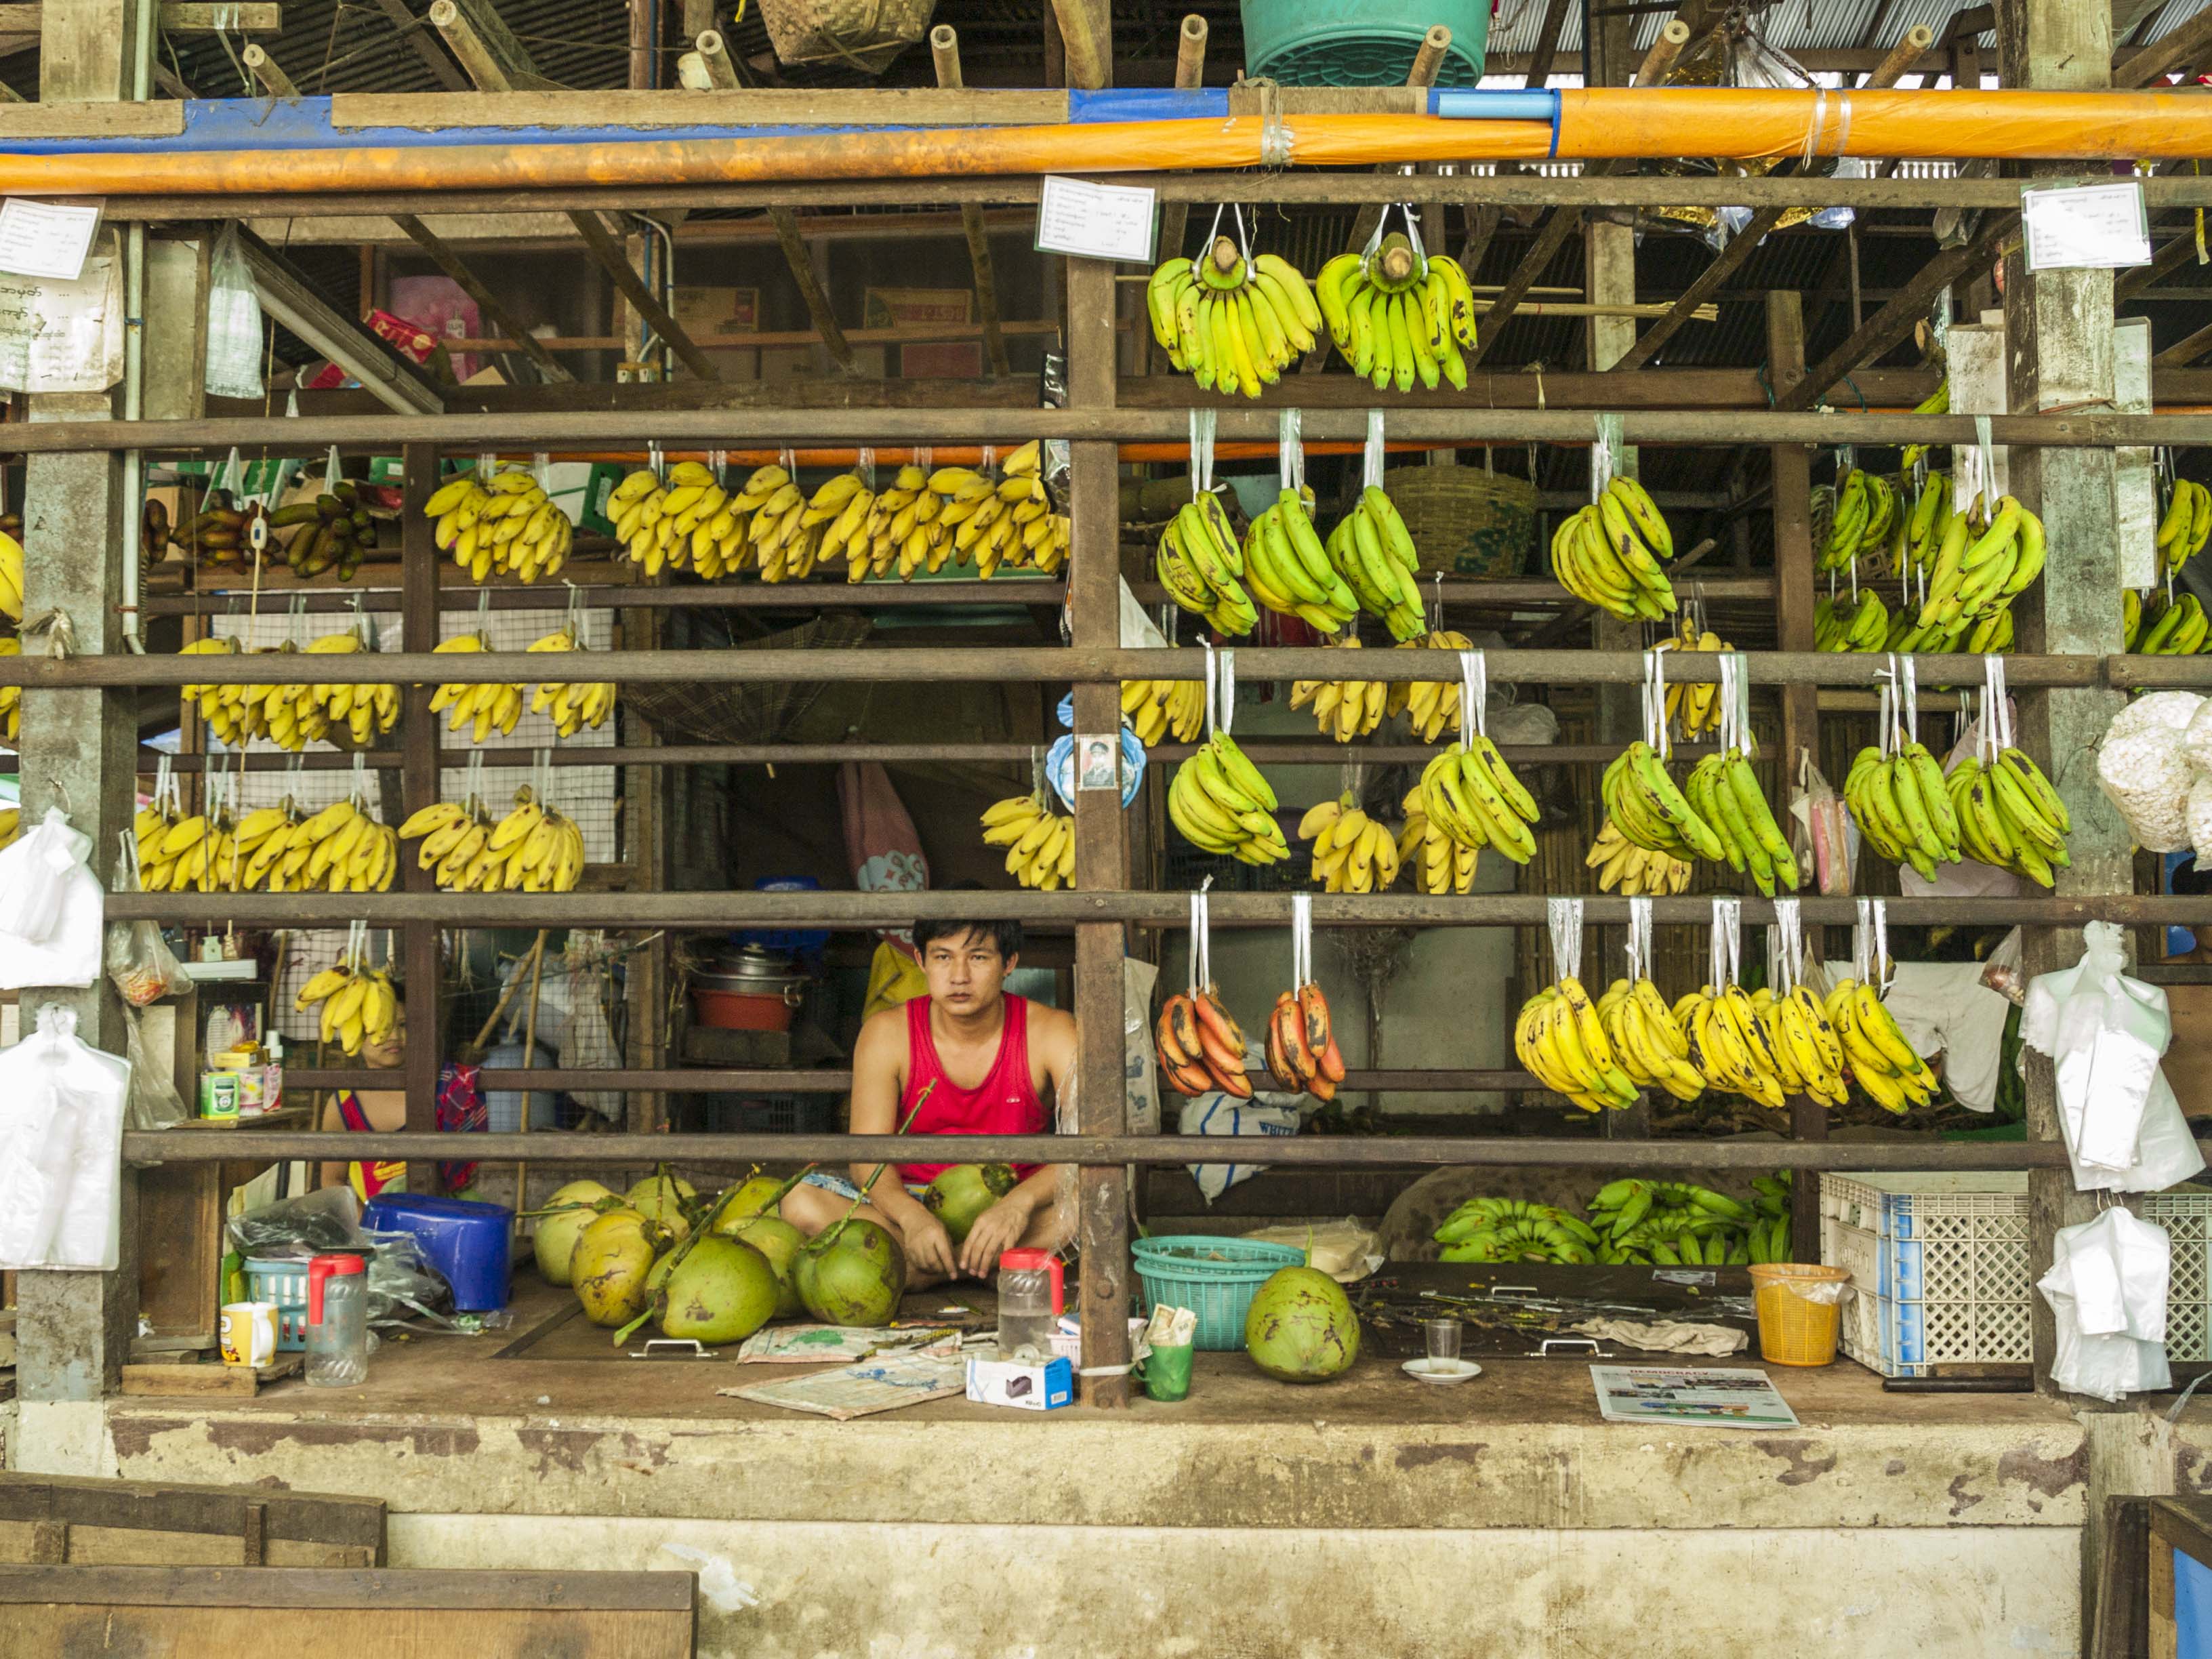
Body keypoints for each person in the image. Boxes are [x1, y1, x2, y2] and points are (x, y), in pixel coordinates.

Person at [781, 917, 1078, 1285]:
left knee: (1094, 1203)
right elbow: (867, 1159)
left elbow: (1088, 1147)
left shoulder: (1052, 1031)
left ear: (1009, 962)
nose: (959, 977)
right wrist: (912, 1218)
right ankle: (984, 1266)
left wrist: (1018, 1204)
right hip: (912, 1201)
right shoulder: (886, 1033)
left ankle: (927, 1270)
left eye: (979, 958)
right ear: (921, 961)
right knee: (801, 1201)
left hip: (1014, 1208)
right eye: (942, 957)